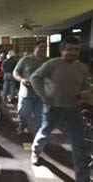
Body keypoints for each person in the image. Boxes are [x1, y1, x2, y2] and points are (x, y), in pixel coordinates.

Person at [30, 36, 89, 182]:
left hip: (73, 110)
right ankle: (35, 152)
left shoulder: (82, 67)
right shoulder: (53, 64)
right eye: (69, 49)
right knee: (44, 133)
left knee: (79, 145)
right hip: (53, 109)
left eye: (76, 50)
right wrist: (43, 96)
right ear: (62, 50)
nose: (73, 52)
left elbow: (85, 86)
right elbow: (35, 78)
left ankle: (83, 178)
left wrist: (86, 92)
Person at [13, 40, 47, 135]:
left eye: (45, 48)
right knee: (23, 114)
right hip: (26, 93)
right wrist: (22, 80)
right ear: (35, 48)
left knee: (39, 117)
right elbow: (15, 72)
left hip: (41, 94)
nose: (43, 49)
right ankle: (22, 125)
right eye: (41, 47)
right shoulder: (26, 60)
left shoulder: (48, 61)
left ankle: (37, 137)